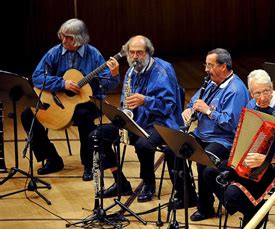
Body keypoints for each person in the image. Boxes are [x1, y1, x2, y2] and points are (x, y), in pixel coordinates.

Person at [21, 18, 120, 181]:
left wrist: (114, 74)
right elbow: (37, 77)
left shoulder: (93, 55)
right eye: (63, 35)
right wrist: (62, 83)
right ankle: (52, 159)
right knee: (27, 114)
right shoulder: (54, 52)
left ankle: (89, 164)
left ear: (79, 39)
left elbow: (108, 84)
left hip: (89, 101)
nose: (63, 40)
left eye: (68, 37)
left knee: (83, 115)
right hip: (59, 101)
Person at [202, 69, 275, 229]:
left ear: (272, 87)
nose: (261, 98)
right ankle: (252, 210)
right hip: (248, 161)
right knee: (210, 172)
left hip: (271, 168)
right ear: (250, 93)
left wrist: (266, 158)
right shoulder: (251, 105)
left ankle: (252, 213)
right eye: (257, 93)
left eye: (266, 92)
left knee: (232, 194)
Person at [94, 35, 184, 202]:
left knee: (143, 144)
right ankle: (120, 182)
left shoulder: (163, 70)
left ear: (148, 53)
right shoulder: (130, 71)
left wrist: (146, 101)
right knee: (98, 135)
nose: (135, 56)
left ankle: (149, 183)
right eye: (132, 52)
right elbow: (125, 98)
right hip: (136, 120)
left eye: (139, 52)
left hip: (161, 122)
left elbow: (169, 106)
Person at [181, 48, 250, 221]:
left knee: (204, 161)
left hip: (223, 139)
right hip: (202, 133)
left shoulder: (235, 90)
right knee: (173, 151)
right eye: (206, 64)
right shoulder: (212, 82)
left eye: (210, 65)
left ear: (223, 67)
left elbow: (231, 124)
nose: (206, 69)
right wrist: (190, 109)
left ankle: (207, 207)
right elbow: (195, 101)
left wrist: (208, 112)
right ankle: (186, 195)